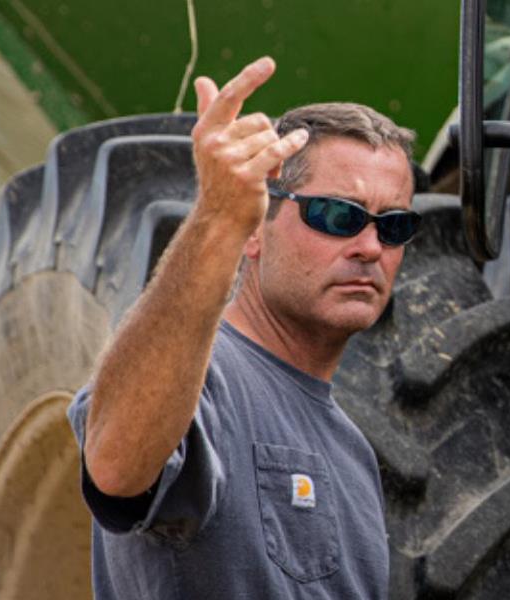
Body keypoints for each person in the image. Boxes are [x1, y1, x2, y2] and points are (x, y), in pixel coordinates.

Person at [66, 56, 420, 599]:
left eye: (393, 226)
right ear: (257, 226)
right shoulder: (197, 379)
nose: (371, 247)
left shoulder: (355, 457)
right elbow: (114, 463)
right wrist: (216, 219)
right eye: (338, 216)